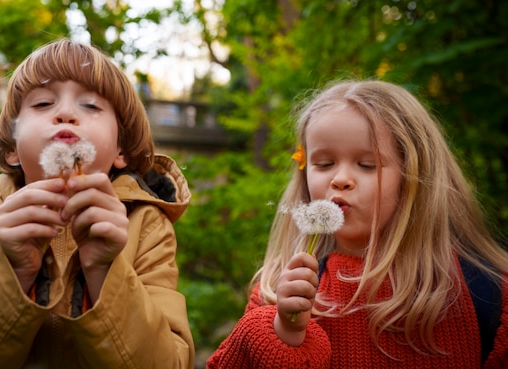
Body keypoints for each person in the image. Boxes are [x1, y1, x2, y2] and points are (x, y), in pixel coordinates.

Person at [0, 39, 195, 369]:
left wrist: (105, 271)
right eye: (42, 104)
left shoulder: (147, 224)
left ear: (121, 150)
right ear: (12, 147)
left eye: (91, 106)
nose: (65, 113)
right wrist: (11, 270)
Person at [207, 80, 508, 368]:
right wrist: (284, 332)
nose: (339, 179)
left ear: (415, 178)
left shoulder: (483, 291)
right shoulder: (278, 291)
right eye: (324, 164)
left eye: (367, 165)